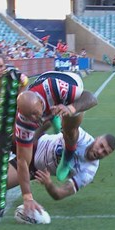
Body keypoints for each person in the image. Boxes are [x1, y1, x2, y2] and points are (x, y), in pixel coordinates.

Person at [0, 128, 115, 201]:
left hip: (33, 167)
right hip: (31, 143)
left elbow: (60, 194)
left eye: (105, 153)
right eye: (101, 146)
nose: (100, 152)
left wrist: (49, 184)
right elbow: (69, 122)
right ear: (97, 139)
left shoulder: (89, 171)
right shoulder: (81, 136)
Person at [14, 71, 98, 215]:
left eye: (35, 113)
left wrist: (70, 108)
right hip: (46, 99)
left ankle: (66, 160)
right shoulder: (23, 120)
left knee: (69, 129)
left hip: (68, 83)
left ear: (41, 103)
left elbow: (91, 98)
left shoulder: (54, 87)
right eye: (29, 116)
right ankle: (53, 118)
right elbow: (22, 161)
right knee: (30, 138)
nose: (33, 118)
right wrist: (27, 197)